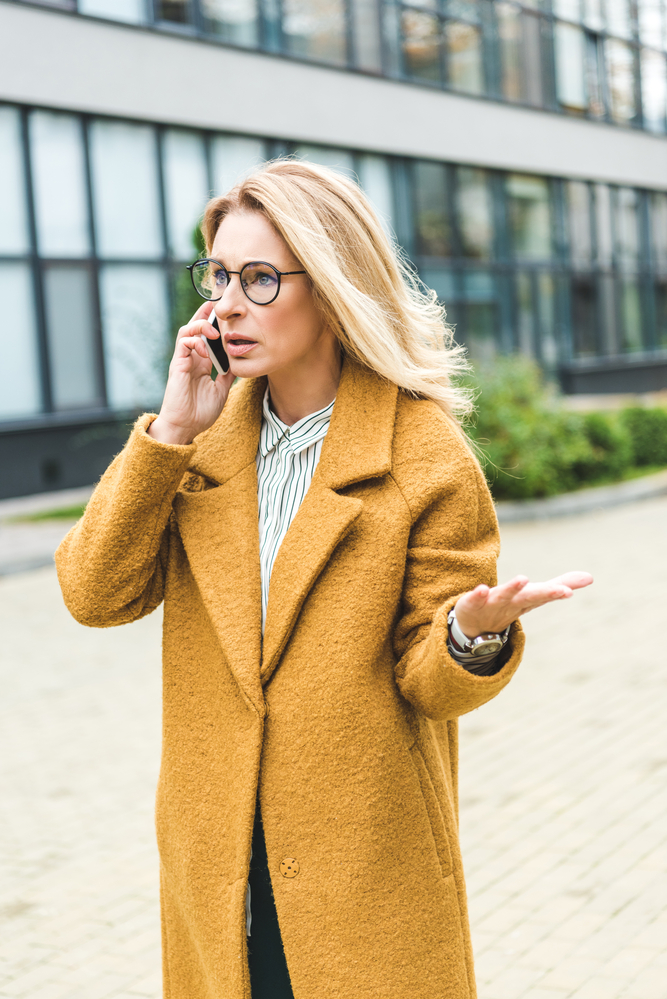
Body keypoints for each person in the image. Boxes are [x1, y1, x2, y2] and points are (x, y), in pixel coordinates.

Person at [56, 160, 592, 999]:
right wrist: (166, 432)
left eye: (261, 278)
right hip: (218, 859)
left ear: (334, 284)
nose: (228, 302)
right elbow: (95, 593)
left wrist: (468, 633)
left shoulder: (421, 452)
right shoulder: (197, 440)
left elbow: (431, 681)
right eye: (220, 275)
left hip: (363, 866)